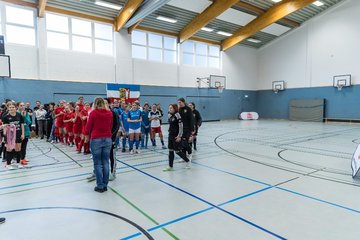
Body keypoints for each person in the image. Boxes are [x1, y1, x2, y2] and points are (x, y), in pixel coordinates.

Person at [85, 98, 113, 193]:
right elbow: (110, 126)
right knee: (106, 162)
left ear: (95, 104)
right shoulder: (109, 113)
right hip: (107, 139)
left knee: (97, 163)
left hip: (96, 139)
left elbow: (88, 128)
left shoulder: (93, 113)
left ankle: (100, 185)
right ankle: (105, 185)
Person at [163, 104, 191, 171]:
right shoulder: (170, 115)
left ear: (175, 108)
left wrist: (179, 136)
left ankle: (188, 161)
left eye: (171, 108)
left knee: (177, 151)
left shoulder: (177, 115)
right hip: (170, 135)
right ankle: (170, 166)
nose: (169, 109)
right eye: (169, 108)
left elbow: (181, 127)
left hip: (176, 136)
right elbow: (170, 123)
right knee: (170, 151)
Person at [2, 101, 25, 170]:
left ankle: (18, 163)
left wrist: (23, 134)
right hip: (10, 136)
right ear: (8, 108)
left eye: (13, 107)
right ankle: (8, 164)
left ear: (16, 108)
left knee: (18, 149)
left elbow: (22, 125)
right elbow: (5, 127)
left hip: (18, 134)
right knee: (9, 149)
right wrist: (4, 136)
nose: (11, 108)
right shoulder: (6, 117)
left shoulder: (19, 115)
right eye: (10, 107)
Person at [104, 99, 120, 181]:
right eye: (103, 103)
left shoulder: (114, 113)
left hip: (111, 139)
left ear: (109, 104)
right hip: (102, 140)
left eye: (106, 103)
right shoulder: (100, 114)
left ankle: (113, 173)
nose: (104, 105)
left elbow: (117, 126)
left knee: (111, 156)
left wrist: (111, 136)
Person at [178, 98, 195, 163]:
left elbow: (191, 120)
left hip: (187, 129)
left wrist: (192, 130)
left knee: (185, 143)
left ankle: (190, 154)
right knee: (182, 144)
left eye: (180, 102)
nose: (179, 103)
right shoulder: (179, 110)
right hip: (181, 129)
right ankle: (184, 157)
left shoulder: (188, 109)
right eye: (178, 102)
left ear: (183, 102)